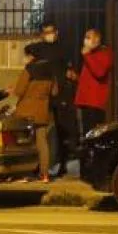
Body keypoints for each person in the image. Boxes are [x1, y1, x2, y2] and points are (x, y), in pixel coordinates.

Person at [11, 43, 55, 183]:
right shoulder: (49, 71)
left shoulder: (29, 70)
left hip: (26, 112)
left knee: (25, 143)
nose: (25, 58)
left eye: (26, 55)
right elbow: (55, 92)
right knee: (42, 142)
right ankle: (45, 174)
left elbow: (19, 91)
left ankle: (25, 173)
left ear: (32, 56)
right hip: (42, 111)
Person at [37, 22, 77, 177]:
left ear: (57, 32)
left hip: (61, 95)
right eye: (46, 32)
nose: (49, 34)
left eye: (51, 31)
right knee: (41, 131)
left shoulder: (63, 49)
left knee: (62, 130)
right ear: (41, 34)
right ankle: (42, 165)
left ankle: (63, 164)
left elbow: (70, 69)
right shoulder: (39, 49)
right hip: (44, 96)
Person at [75, 28, 113, 142]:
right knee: (86, 134)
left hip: (94, 102)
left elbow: (99, 72)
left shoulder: (105, 53)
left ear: (97, 39)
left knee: (94, 135)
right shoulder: (91, 54)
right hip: (85, 101)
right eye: (85, 37)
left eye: (88, 37)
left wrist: (87, 56)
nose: (85, 40)